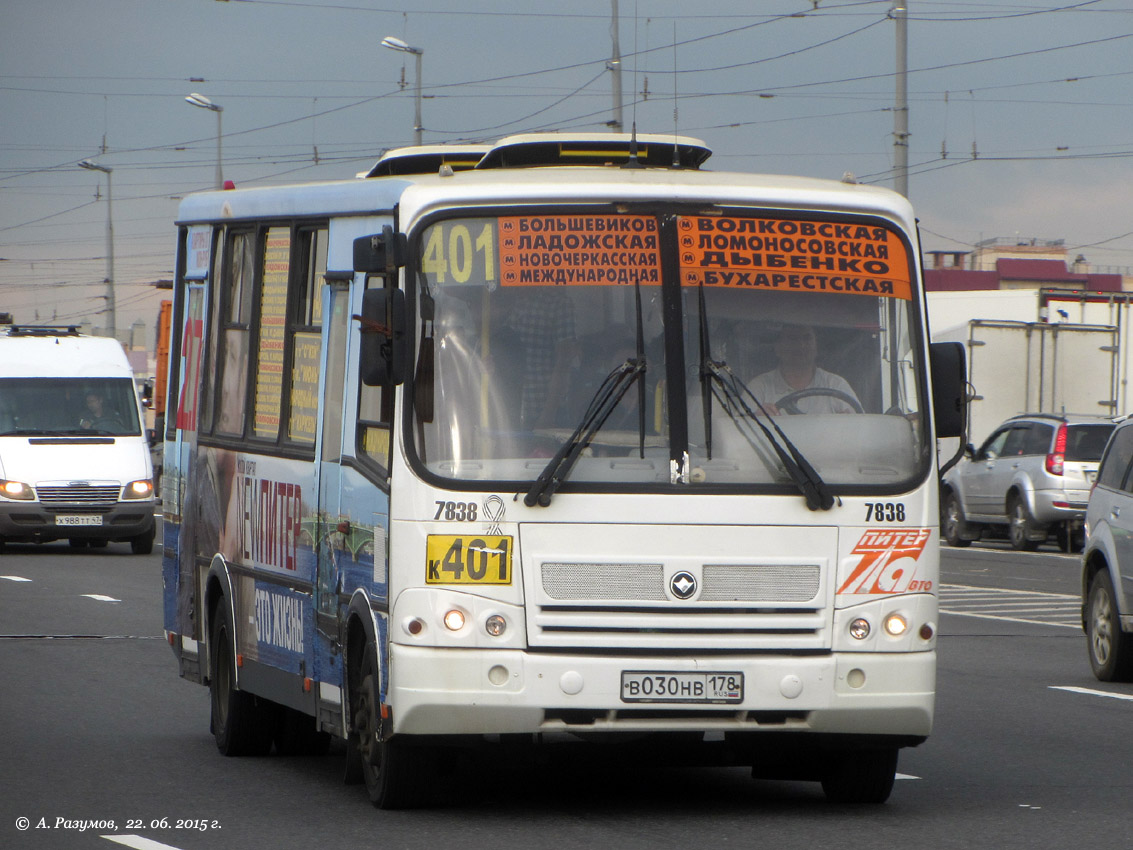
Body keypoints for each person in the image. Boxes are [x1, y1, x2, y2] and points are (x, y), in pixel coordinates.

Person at [747, 323, 860, 414]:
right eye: (792, 339)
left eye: (807, 338)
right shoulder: (759, 387)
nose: (801, 345)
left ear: (816, 346)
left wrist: (847, 421)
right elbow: (739, 434)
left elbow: (860, 429)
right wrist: (757, 419)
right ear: (777, 348)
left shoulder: (836, 385)